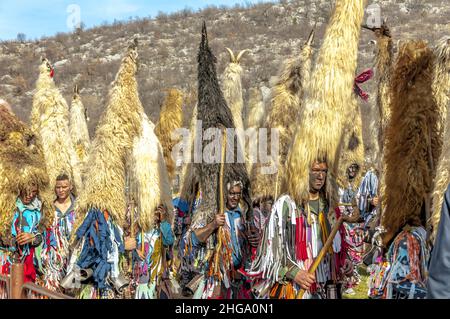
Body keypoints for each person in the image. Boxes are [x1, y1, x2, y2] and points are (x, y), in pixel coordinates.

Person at [250, 160, 353, 299]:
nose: (320, 176)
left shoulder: (330, 206)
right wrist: (294, 273)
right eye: (315, 170)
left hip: (327, 288)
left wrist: (344, 260)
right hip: (296, 289)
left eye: (324, 171)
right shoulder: (286, 205)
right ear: (304, 172)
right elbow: (269, 255)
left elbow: (337, 245)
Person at [184, 181, 258, 299]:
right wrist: (213, 225)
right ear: (224, 194)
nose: (235, 197)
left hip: (240, 279)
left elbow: (251, 245)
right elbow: (192, 240)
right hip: (217, 281)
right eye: (232, 194)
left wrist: (255, 240)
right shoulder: (210, 213)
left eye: (238, 194)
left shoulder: (244, 215)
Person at [123, 203, 175, 299]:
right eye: (152, 212)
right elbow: (128, 249)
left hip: (157, 276)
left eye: (157, 212)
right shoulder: (138, 230)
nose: (155, 215)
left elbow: (169, 241)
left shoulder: (161, 230)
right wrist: (135, 250)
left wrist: (163, 221)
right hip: (142, 276)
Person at [0, 183, 43, 283]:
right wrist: (12, 241)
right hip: (5, 262)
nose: (30, 195)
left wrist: (33, 238)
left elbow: (42, 236)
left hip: (27, 264)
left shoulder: (38, 209)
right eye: (27, 191)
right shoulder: (5, 206)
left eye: (34, 192)